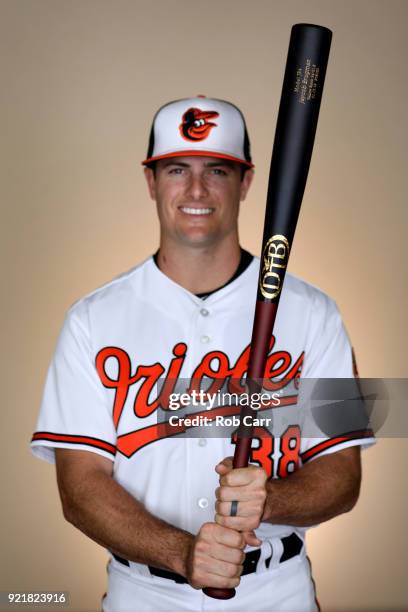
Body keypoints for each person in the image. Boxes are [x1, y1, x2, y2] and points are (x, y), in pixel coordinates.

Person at [30, 96, 375, 611]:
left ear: (247, 182)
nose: (196, 190)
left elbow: (343, 476)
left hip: (276, 592)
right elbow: (79, 487)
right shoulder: (90, 320)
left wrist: (271, 499)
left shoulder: (315, 313)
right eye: (176, 169)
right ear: (151, 182)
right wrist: (182, 552)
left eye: (217, 170)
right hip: (142, 595)